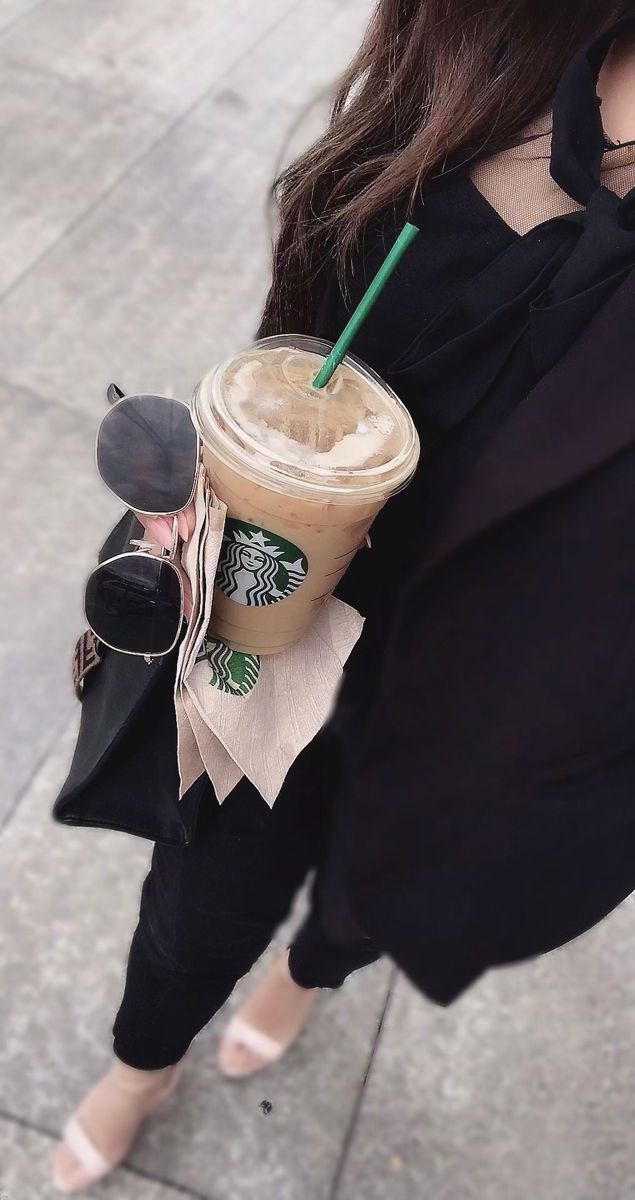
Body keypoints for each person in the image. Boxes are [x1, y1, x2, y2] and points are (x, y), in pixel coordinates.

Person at [52, 2, 635, 1191]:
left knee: (374, 900)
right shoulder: (504, 23)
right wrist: (222, 479)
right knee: (200, 889)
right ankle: (140, 1064)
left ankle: (305, 974)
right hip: (301, 602)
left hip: (521, 702)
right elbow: (320, 313)